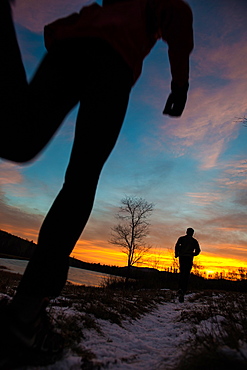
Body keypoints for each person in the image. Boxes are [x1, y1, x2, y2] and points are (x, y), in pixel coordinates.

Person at [0, 0, 194, 361]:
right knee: (81, 181)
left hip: (70, 48)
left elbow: (77, 18)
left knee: (19, 140)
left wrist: (60, 36)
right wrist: (179, 86)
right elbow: (178, 16)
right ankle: (24, 315)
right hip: (112, 64)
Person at [175, 228, 201, 302]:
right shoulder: (194, 241)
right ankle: (183, 289)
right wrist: (193, 254)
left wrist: (177, 254)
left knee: (182, 272)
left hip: (182, 257)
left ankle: (180, 289)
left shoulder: (182, 239)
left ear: (187, 232)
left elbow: (177, 246)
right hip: (188, 258)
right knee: (186, 274)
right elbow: (198, 250)